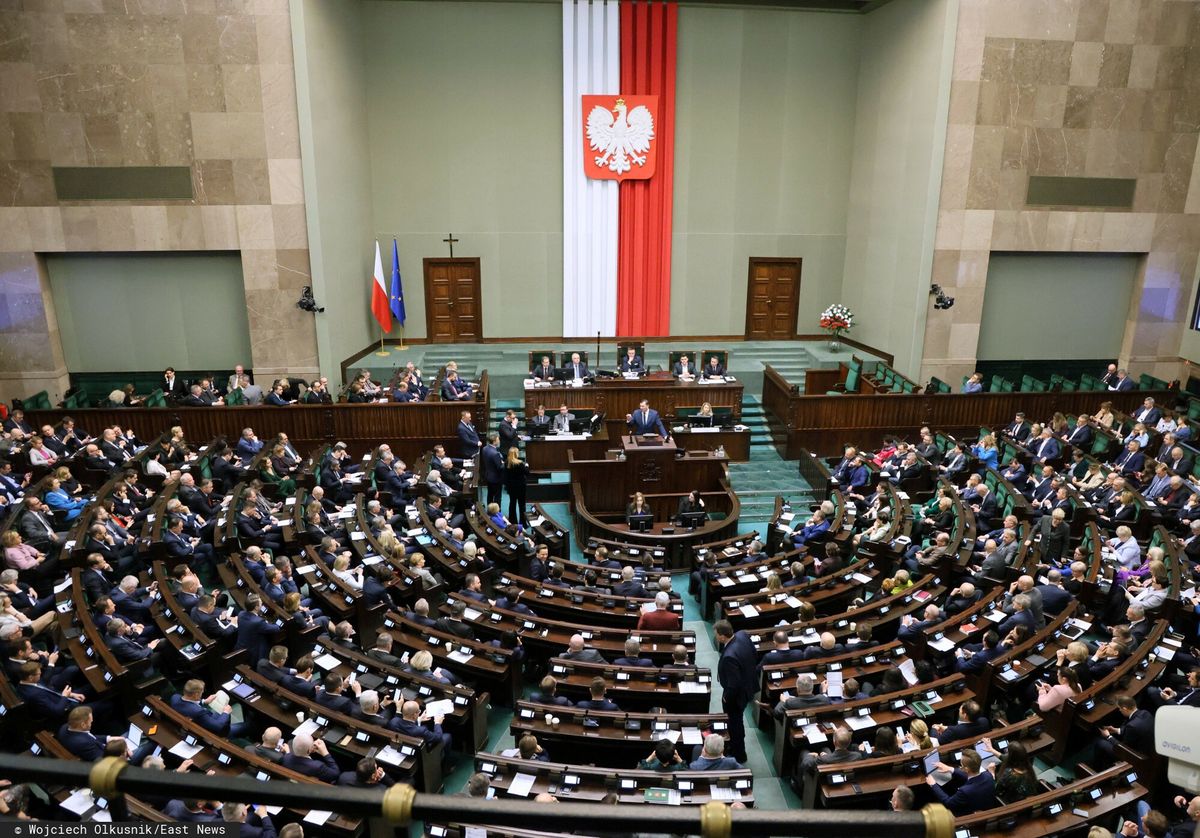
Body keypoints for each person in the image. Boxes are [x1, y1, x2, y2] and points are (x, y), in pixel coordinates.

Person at [714, 619, 756, 764]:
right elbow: (753, 652)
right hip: (748, 686)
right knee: (737, 721)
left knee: (734, 723)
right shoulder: (743, 635)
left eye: (716, 634)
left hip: (736, 697)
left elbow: (734, 685)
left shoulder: (729, 657)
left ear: (721, 636)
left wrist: (726, 698)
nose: (715, 636)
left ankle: (739, 754)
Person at [925, 748, 996, 816]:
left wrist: (933, 784)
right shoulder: (988, 775)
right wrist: (950, 769)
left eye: (961, 765)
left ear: (966, 769)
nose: (960, 767)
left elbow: (948, 803)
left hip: (967, 814)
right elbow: (971, 776)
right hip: (984, 804)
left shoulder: (964, 791)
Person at [504, 446, 530, 526]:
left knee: (512, 503)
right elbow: (527, 473)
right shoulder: (520, 463)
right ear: (516, 454)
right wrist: (527, 466)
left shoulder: (507, 463)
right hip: (521, 487)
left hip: (511, 487)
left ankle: (512, 522)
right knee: (522, 505)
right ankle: (523, 523)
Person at [480, 432, 504, 508]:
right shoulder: (495, 453)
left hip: (488, 475)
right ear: (494, 441)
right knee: (497, 497)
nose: (499, 440)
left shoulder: (485, 448)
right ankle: (497, 513)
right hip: (496, 478)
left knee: (490, 494)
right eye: (498, 439)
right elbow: (500, 467)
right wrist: (504, 464)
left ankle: (489, 510)